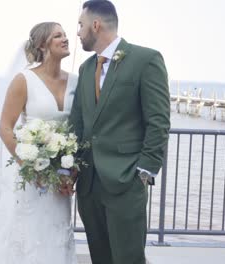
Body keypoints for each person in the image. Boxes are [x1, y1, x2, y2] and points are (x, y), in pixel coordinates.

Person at [67, 0, 171, 263]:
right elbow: (78, 122)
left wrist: (144, 172)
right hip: (89, 184)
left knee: (128, 258)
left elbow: (158, 120)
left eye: (81, 25)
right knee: (100, 258)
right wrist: (69, 167)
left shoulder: (145, 60)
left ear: (96, 25)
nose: (78, 32)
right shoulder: (86, 67)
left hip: (126, 181)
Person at [0, 21, 78, 263]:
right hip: (35, 179)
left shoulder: (76, 81)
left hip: (63, 179)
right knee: (33, 239)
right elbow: (5, 127)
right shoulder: (24, 80)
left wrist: (70, 174)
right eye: (57, 36)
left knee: (57, 238)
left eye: (65, 35)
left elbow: (80, 132)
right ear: (43, 45)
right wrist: (31, 168)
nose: (65, 39)